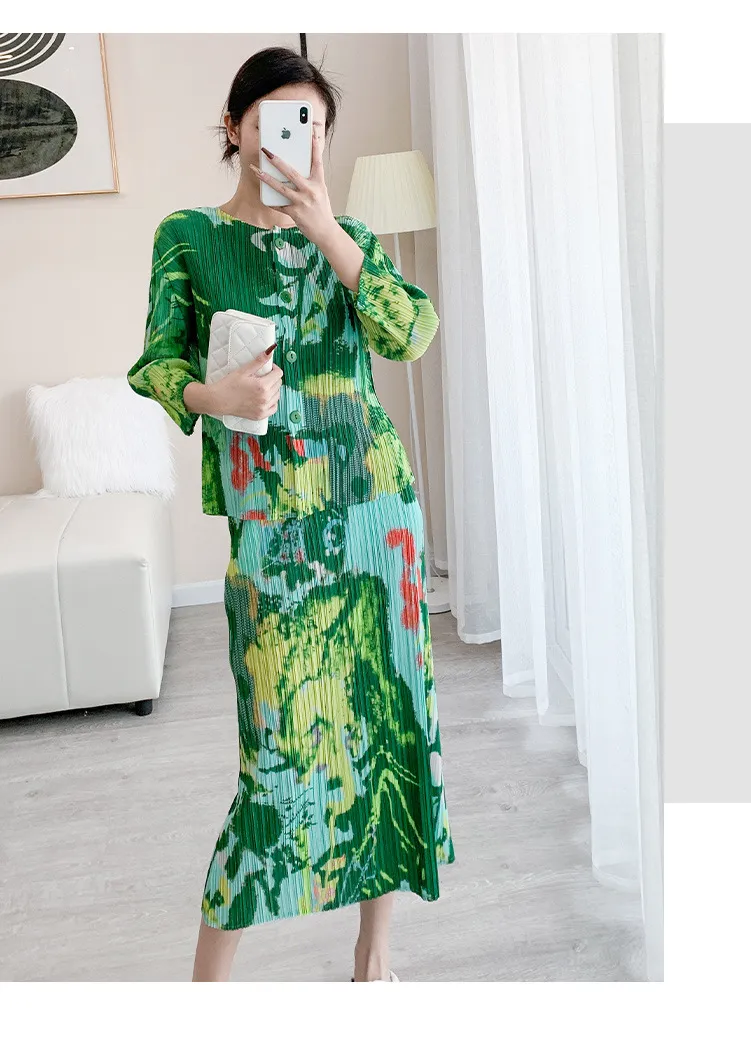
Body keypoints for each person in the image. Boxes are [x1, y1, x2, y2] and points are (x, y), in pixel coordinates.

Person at [127, 46, 455, 983]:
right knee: (274, 759)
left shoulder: (348, 237)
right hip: (272, 529)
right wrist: (213, 397)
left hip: (374, 514)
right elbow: (156, 363)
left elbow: (412, 331)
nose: (293, 138)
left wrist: (331, 235)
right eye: (275, 117)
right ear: (236, 127)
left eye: (311, 124)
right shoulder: (188, 236)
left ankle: (374, 954)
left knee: (389, 729)